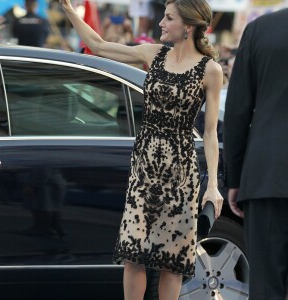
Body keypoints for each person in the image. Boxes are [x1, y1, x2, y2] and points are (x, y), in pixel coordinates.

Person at [60, 0, 224, 299]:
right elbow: (97, 45)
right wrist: (69, 9)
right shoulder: (154, 54)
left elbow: (210, 133)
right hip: (144, 168)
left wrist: (212, 185)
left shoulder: (210, 70)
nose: (161, 22)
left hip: (180, 174)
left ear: (188, 26)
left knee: (171, 263)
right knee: (133, 254)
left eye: (168, 17)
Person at [223, 8, 288, 300]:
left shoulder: (260, 30)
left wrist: (234, 177)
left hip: (266, 173)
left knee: (266, 285)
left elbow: (237, 110)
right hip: (266, 175)